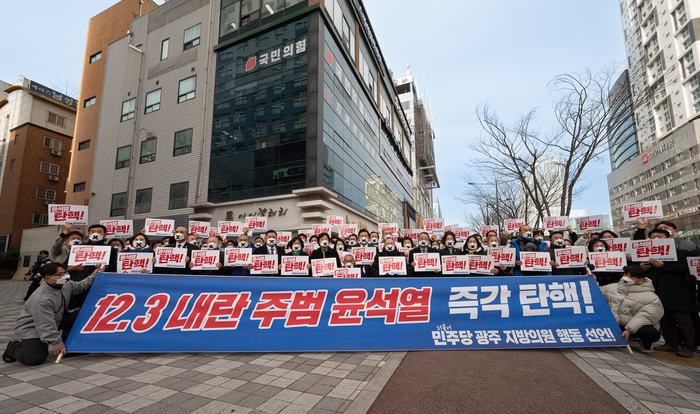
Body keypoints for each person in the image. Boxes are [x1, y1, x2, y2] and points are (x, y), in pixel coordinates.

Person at [3, 263, 104, 366]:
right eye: (60, 274)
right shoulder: (41, 299)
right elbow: (45, 325)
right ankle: (13, 346)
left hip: (55, 319)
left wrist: (95, 274)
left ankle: (69, 345)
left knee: (81, 314)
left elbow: (80, 286)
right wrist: (57, 343)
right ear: (48, 278)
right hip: (34, 328)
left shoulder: (65, 284)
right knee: (34, 359)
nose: (65, 276)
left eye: (65, 272)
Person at [639, 229, 696, 357]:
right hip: (656, 291)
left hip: (677, 292)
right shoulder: (646, 255)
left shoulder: (681, 253)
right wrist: (641, 267)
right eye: (653, 237)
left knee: (683, 321)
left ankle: (688, 347)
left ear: (668, 238)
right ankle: (671, 343)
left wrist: (664, 266)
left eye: (659, 236)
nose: (656, 239)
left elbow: (688, 268)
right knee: (664, 320)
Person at [601, 266, 664, 353]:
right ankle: (617, 337)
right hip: (615, 324)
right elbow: (596, 293)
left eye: (631, 276)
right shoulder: (612, 287)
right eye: (625, 274)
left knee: (650, 332)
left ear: (640, 279)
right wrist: (593, 280)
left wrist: (629, 330)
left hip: (634, 328)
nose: (626, 277)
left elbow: (645, 316)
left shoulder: (652, 297)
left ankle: (646, 344)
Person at [68, 224, 117, 308]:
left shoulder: (110, 249)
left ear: (104, 235)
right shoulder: (79, 248)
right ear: (89, 234)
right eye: (93, 231)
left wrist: (106, 267)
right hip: (78, 283)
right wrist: (71, 268)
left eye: (99, 232)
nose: (96, 234)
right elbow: (66, 265)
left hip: (99, 285)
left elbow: (114, 267)